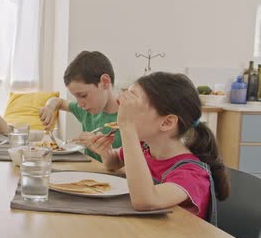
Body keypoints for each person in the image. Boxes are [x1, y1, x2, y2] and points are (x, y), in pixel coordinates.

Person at [87, 72, 229, 223]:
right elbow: (114, 162)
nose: (122, 112)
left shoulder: (191, 174)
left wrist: (127, 126)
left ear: (167, 123)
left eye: (132, 107)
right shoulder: (145, 148)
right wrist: (106, 152)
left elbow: (146, 201)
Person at [39, 51, 120, 161]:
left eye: (83, 95)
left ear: (105, 82)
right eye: (76, 98)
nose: (80, 104)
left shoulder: (131, 118)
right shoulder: (87, 110)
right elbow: (59, 102)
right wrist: (49, 107)